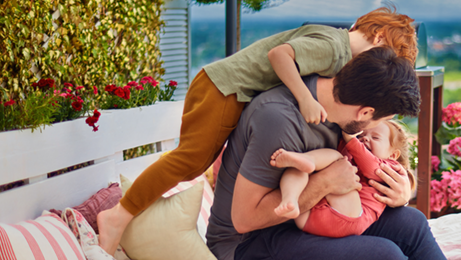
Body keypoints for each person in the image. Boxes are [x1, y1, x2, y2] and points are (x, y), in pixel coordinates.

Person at [97, 6, 418, 255]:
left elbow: (370, 149)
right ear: (377, 38)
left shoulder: (342, 90)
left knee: (412, 224)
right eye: (385, 56)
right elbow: (280, 56)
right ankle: (119, 216)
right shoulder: (335, 48)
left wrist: (406, 189)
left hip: (236, 95)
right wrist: (305, 99)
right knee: (192, 161)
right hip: (224, 87)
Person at [208, 46, 445, 260]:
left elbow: (374, 165)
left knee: (412, 223)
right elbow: (244, 220)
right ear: (365, 113)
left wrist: (402, 191)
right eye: (381, 120)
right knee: (384, 255)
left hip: (311, 215)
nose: (374, 130)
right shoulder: (279, 121)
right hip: (249, 243)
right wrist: (324, 183)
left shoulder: (340, 105)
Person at [269, 120, 415, 238]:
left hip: (351, 216)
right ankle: (290, 199)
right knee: (300, 169)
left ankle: (309, 160)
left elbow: (371, 167)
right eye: (361, 135)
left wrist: (351, 139)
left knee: (338, 160)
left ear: (393, 155)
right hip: (306, 219)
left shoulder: (390, 167)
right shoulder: (353, 156)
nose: (364, 138)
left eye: (375, 137)